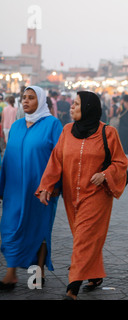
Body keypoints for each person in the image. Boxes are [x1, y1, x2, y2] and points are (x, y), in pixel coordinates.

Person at [36, 91, 128, 300]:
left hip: (97, 195)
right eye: (73, 104)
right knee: (84, 237)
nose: (72, 107)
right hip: (72, 195)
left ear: (88, 107)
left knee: (84, 239)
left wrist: (105, 174)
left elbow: (121, 162)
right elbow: (56, 160)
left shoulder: (108, 132)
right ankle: (94, 275)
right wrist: (46, 186)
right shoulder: (67, 130)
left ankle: (72, 287)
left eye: (77, 104)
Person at [0, 86, 63, 290]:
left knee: (39, 229)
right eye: (23, 97)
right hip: (15, 190)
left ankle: (38, 271)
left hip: (41, 190)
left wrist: (55, 185)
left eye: (31, 98)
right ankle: (11, 274)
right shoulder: (17, 126)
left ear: (41, 101)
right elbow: (7, 158)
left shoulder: (52, 124)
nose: (25, 101)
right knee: (10, 227)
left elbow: (61, 157)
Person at [118, 94, 128, 163]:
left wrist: (121, 104)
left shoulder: (121, 106)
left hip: (122, 127)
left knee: (122, 142)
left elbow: (117, 112)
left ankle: (124, 157)